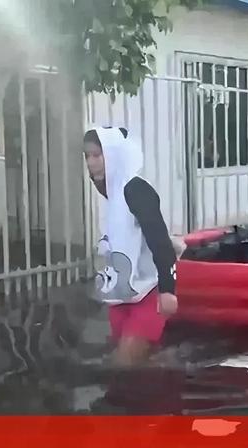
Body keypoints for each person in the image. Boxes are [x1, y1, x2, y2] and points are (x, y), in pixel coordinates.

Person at [83, 126, 178, 367]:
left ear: (114, 154)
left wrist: (168, 290)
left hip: (149, 293)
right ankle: (166, 361)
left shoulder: (136, 189)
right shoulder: (112, 191)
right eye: (87, 156)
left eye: (97, 155)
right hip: (122, 296)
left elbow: (159, 240)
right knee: (135, 364)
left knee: (121, 366)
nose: (91, 162)